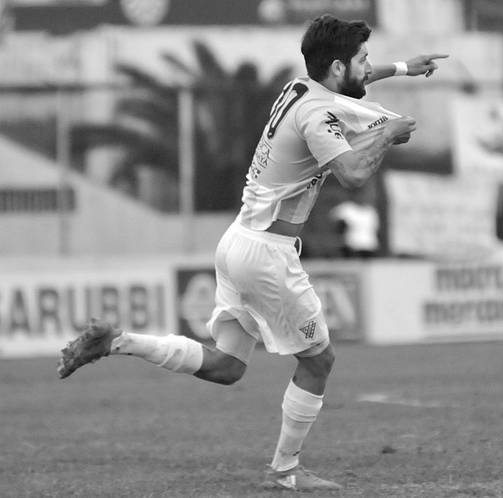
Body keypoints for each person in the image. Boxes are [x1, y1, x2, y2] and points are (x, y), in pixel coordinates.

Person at [57, 14, 447, 492]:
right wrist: (386, 135)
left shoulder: (300, 88)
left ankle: (117, 341)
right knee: (318, 362)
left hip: (237, 241)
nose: (369, 68)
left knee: (227, 367)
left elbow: (354, 84)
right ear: (339, 66)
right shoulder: (317, 115)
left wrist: (405, 68)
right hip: (268, 252)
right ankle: (285, 472)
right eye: (363, 61)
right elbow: (353, 176)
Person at [330, 186, 380, 258]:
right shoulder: (346, 208)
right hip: (352, 247)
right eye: (358, 194)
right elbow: (333, 221)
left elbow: (376, 229)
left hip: (369, 247)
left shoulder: (371, 211)